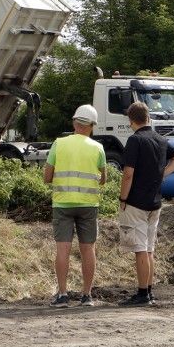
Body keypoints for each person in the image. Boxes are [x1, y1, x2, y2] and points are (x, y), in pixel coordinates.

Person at [118, 101, 174, 306]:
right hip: (155, 201)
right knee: (149, 249)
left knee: (140, 249)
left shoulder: (134, 141)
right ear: (149, 118)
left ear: (131, 121)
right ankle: (149, 290)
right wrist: (161, 175)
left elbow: (128, 174)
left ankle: (141, 294)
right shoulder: (160, 139)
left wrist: (122, 199)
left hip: (136, 201)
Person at [43, 104, 107, 308]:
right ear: (93, 126)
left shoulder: (58, 144)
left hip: (62, 203)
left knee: (63, 249)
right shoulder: (98, 148)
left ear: (74, 122)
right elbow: (103, 179)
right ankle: (86, 296)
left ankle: (62, 295)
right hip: (88, 204)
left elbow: (47, 177)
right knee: (88, 249)